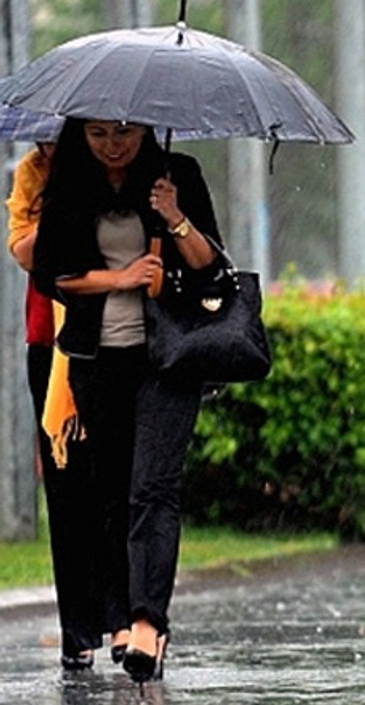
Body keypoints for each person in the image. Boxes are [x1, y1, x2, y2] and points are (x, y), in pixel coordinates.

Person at [33, 118, 221, 683]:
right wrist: (117, 280)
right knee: (111, 490)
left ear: (145, 130)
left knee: (154, 489)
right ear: (79, 137)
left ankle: (147, 623)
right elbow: (51, 274)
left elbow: (210, 264)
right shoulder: (70, 184)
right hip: (98, 361)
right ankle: (117, 616)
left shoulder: (177, 174)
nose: (112, 145)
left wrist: (174, 217)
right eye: (97, 134)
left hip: (166, 359)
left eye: (124, 132)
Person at [6, 141, 118, 670]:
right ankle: (78, 629)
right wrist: (64, 213)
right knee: (66, 484)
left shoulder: (121, 168)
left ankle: (126, 619)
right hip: (50, 343)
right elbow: (25, 252)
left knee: (117, 484)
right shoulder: (35, 173)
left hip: (118, 340)